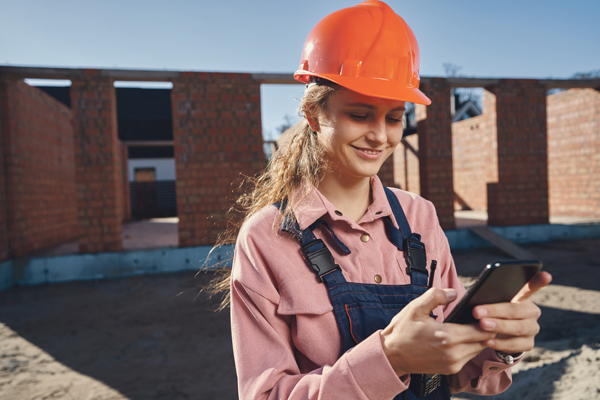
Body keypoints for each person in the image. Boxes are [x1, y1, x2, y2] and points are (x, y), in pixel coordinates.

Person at [209, 1, 552, 399]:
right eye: (360, 114)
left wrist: (500, 345)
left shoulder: (419, 217)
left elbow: (460, 374)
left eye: (393, 118)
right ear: (314, 115)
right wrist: (389, 359)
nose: (380, 136)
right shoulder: (267, 238)